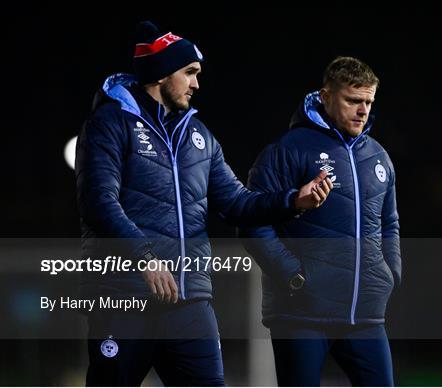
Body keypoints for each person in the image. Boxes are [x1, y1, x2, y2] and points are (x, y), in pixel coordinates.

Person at [75, 21, 332, 386]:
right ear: (163, 74)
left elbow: (237, 203)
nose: (197, 83)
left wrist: (295, 200)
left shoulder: (200, 137)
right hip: (123, 297)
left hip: (189, 300)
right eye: (190, 72)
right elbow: (99, 202)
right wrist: (145, 259)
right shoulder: (108, 124)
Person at [241, 56, 401, 386]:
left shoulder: (378, 157)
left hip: (364, 314)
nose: (363, 110)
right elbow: (251, 221)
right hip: (301, 314)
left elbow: (390, 223)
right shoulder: (286, 151)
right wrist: (293, 276)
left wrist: (390, 273)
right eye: (354, 100)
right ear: (326, 97)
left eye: (368, 102)